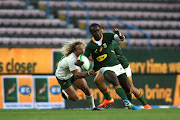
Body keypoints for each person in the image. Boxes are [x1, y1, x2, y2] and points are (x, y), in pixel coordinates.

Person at [83, 23, 141, 110]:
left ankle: (130, 105)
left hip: (117, 65)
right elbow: (84, 56)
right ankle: (125, 101)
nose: (97, 33)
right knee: (115, 82)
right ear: (91, 33)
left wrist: (119, 34)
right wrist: (81, 62)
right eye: (94, 32)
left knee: (127, 88)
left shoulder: (107, 36)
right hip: (105, 68)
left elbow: (121, 39)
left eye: (98, 30)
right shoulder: (90, 45)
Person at [94, 25, 152, 110]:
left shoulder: (110, 42)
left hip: (121, 65)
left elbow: (107, 55)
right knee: (97, 80)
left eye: (101, 32)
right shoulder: (100, 43)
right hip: (109, 66)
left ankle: (146, 105)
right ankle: (108, 99)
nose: (99, 34)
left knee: (130, 88)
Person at [55, 40, 100, 111]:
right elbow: (76, 75)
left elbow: (91, 58)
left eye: (83, 48)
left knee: (86, 89)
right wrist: (89, 73)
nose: (82, 51)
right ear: (74, 51)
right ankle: (64, 92)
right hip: (63, 78)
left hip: (71, 73)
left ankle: (93, 108)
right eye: (80, 49)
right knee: (75, 98)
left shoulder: (81, 54)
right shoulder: (71, 59)